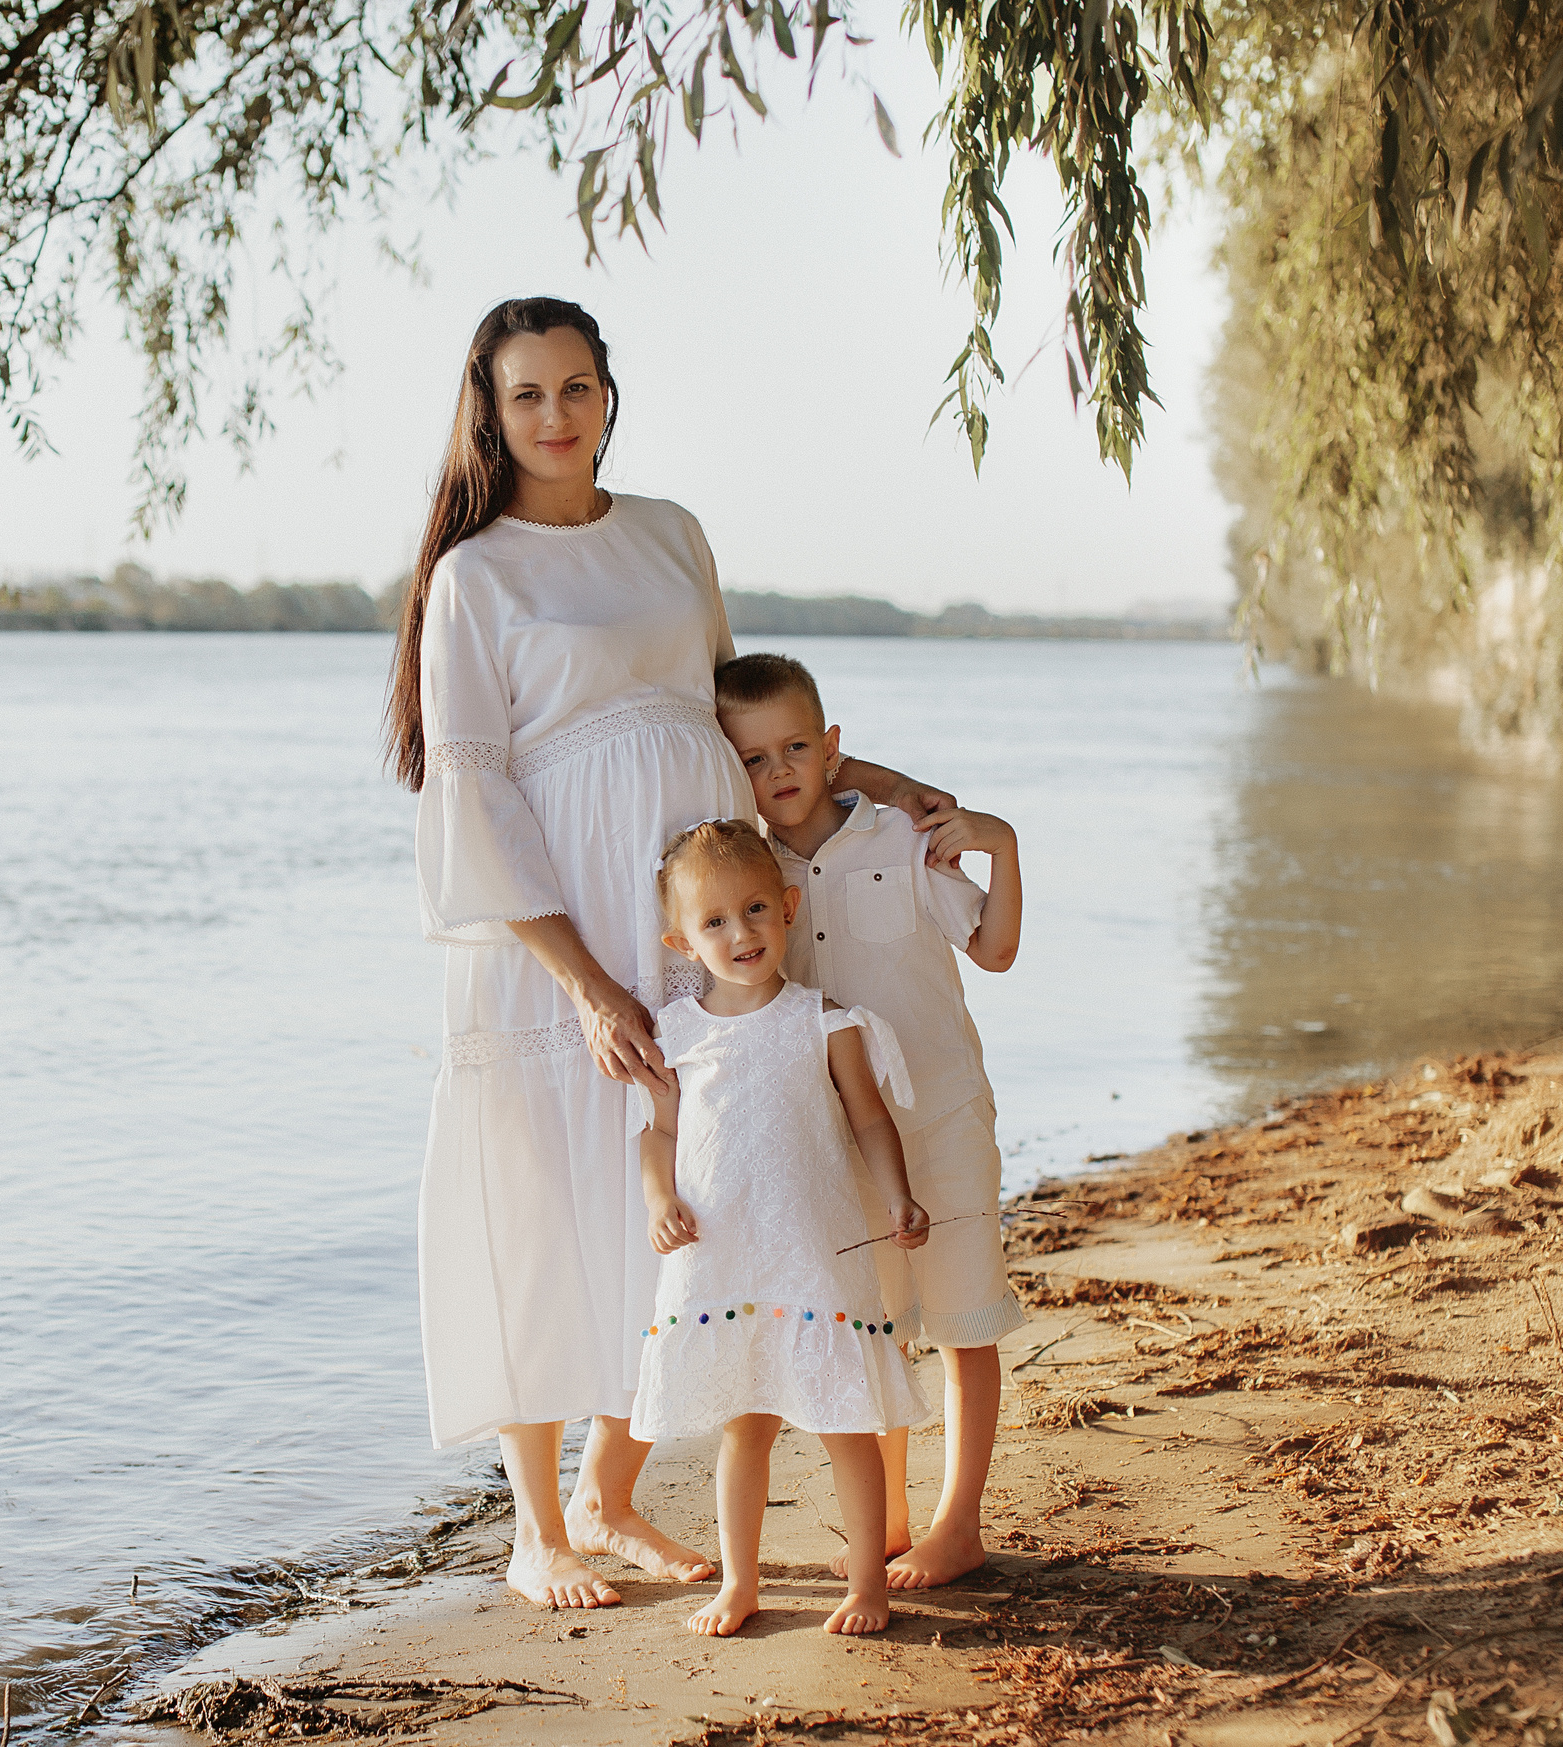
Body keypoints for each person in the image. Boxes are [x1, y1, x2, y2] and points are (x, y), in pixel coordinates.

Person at [386, 298, 953, 1610]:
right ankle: (542, 1526)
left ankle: (611, 1485)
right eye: (527, 395)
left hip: (700, 910)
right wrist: (583, 978)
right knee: (545, 1197)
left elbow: (741, 717)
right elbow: (470, 793)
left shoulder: (670, 533)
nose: (556, 416)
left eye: (577, 386)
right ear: (492, 412)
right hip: (559, 919)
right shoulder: (476, 575)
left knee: (688, 1186)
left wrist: (871, 794)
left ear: (606, 393)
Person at [712, 651, 1027, 1592]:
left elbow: (997, 949)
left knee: (964, 1318)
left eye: (798, 747)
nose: (781, 771)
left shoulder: (899, 838)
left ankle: (958, 1520)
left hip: (942, 1116)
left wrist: (1000, 840)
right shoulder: (751, 874)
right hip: (837, 1144)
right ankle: (884, 1518)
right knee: (873, 1329)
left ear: (834, 748)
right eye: (756, 757)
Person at [629, 819, 931, 1636]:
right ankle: (741, 1580)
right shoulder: (679, 1032)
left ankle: (868, 1581)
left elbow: (869, 1120)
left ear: (789, 907)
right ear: (681, 941)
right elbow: (656, 1133)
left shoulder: (821, 1018)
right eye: (716, 921)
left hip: (813, 1256)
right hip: (723, 1255)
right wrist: (659, 1200)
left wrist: (899, 1195)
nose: (742, 932)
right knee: (745, 1426)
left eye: (757, 908)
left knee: (845, 1423)